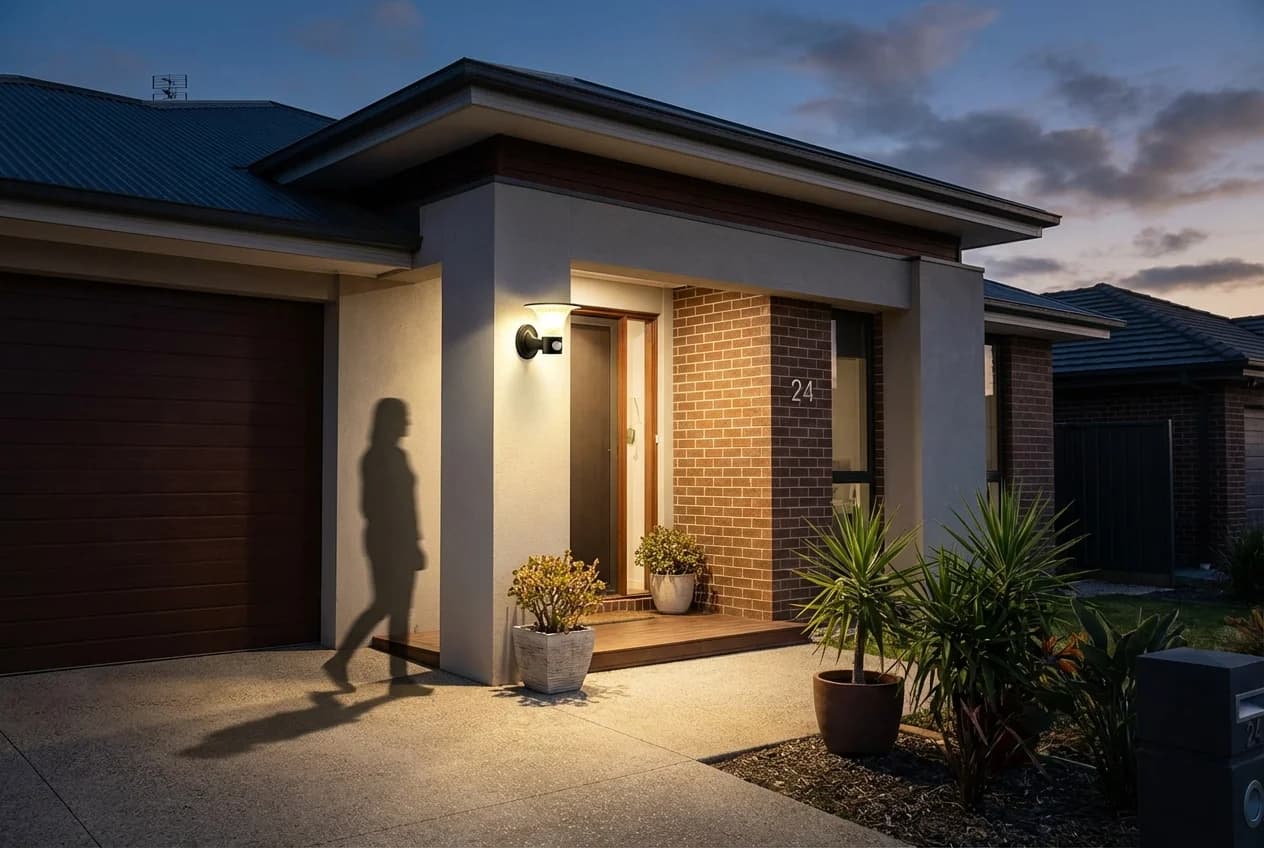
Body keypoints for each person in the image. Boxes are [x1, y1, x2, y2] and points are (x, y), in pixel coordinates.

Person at [322, 398, 426, 691]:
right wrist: (402, 541)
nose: (408, 422)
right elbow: (371, 506)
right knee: (385, 604)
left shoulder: (398, 456)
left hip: (401, 540)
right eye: (403, 417)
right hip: (385, 541)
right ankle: (341, 662)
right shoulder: (375, 458)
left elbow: (409, 505)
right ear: (389, 421)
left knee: (400, 608)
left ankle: (398, 675)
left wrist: (415, 541)